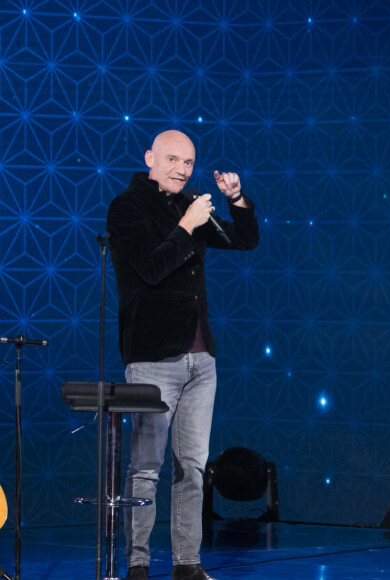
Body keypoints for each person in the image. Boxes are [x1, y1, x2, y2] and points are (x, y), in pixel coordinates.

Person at [106, 130, 259, 580]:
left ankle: (187, 564)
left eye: (189, 162)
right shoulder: (128, 207)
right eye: (172, 159)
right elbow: (151, 269)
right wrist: (187, 224)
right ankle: (137, 563)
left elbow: (242, 241)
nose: (181, 169)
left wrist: (237, 200)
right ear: (150, 158)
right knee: (146, 467)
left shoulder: (187, 205)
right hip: (154, 355)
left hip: (200, 359)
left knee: (192, 468)